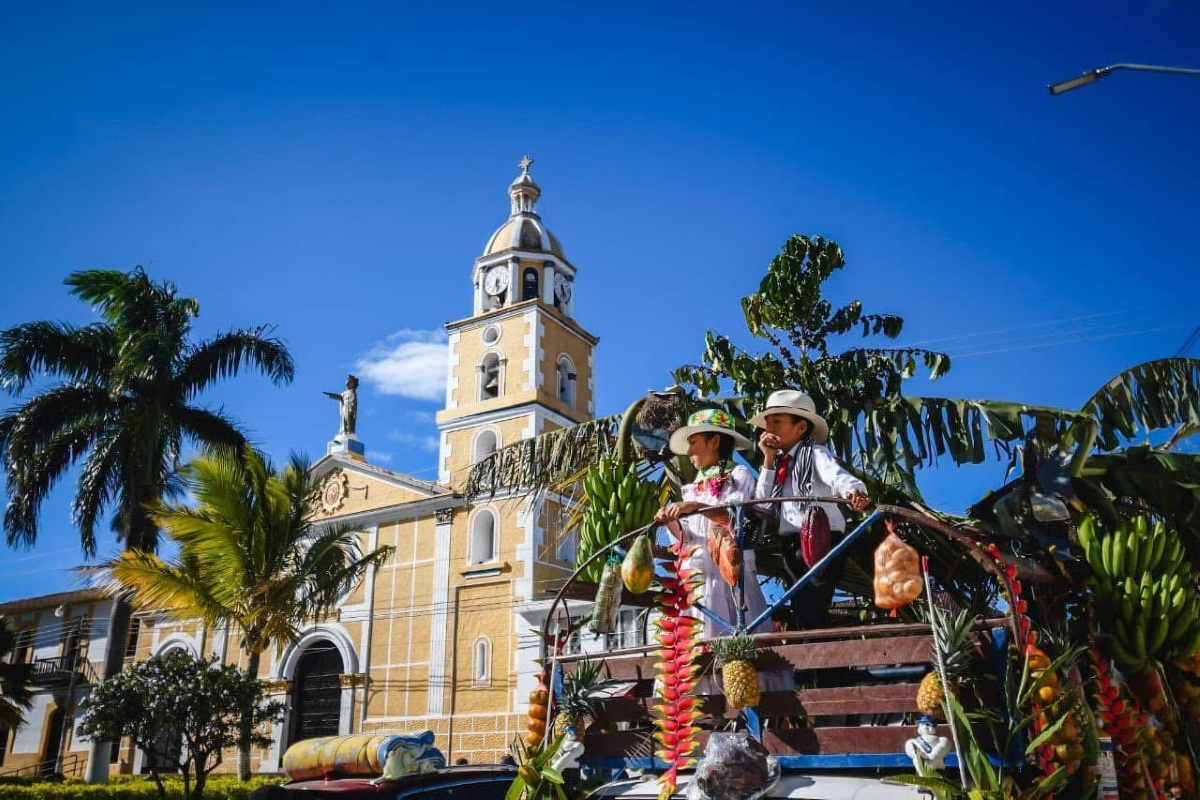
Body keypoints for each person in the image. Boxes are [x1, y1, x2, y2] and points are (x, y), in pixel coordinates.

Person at [751, 389, 870, 630]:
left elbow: (837, 477)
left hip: (821, 539)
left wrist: (854, 491)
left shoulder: (815, 453)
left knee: (813, 606)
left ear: (801, 427)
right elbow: (762, 503)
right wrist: (768, 459)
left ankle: (825, 664)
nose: (769, 427)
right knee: (801, 606)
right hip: (792, 542)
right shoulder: (779, 463)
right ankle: (817, 663)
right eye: (768, 422)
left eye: (777, 421)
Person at [654, 408, 775, 640]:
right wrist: (670, 521)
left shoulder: (738, 476)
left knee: (738, 638)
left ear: (715, 441)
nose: (689, 451)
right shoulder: (690, 489)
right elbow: (686, 539)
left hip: (728, 570)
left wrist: (697, 507)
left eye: (694, 442)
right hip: (699, 576)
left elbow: (734, 520)